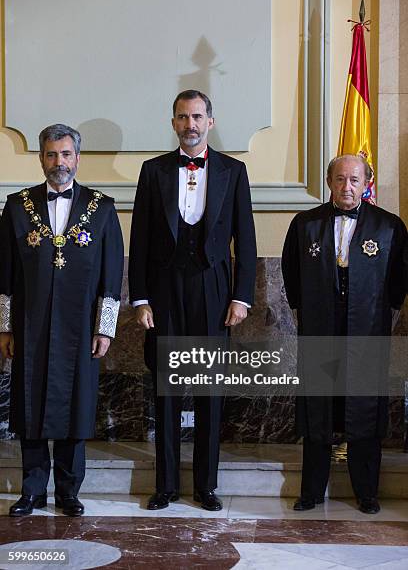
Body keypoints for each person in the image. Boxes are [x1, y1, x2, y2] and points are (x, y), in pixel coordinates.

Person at [128, 90, 256, 511]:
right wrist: (141, 298)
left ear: (211, 122)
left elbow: (247, 242)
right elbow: (141, 240)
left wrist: (241, 296)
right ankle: (166, 485)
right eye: (183, 117)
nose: (190, 125)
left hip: (214, 292)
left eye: (197, 116)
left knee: (209, 391)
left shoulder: (234, 171)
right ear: (173, 123)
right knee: (166, 389)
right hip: (164, 294)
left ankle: (206, 486)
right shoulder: (153, 171)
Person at [0, 124, 124, 517]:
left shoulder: (102, 207)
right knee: (30, 405)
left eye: (66, 154)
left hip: (80, 328)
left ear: (78, 158)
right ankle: (32, 490)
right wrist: (5, 326)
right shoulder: (17, 206)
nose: (59, 163)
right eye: (52, 155)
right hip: (30, 325)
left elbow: (111, 273)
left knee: (77, 407)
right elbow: (4, 274)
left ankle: (69, 491)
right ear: (40, 158)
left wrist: (105, 328)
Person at [282, 153, 406, 514]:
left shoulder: (389, 226)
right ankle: (311, 491)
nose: (346, 187)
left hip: (367, 331)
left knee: (364, 406)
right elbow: (291, 274)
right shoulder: (305, 224)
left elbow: (399, 280)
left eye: (354, 180)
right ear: (329, 182)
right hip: (320, 329)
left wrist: (380, 315)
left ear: (367, 182)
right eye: (339, 179)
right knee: (319, 406)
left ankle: (366, 492)